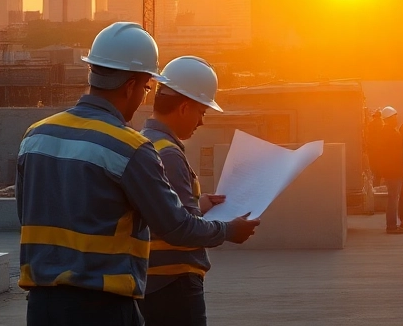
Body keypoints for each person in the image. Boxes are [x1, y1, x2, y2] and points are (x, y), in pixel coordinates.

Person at [16, 23, 260, 325]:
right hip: (101, 306)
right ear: (131, 86)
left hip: (41, 306)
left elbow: (26, 214)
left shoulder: (35, 136)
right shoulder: (129, 147)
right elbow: (176, 227)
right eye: (146, 88)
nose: (145, 98)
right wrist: (227, 231)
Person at [139, 56, 226, 326]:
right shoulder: (170, 153)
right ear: (185, 107)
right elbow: (182, 230)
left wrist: (200, 204)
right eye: (201, 112)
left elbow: (162, 213)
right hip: (175, 283)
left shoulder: (144, 142)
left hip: (149, 282)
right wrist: (230, 229)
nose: (201, 122)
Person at [378, 106, 403, 234]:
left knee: (393, 198)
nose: (397, 119)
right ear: (390, 118)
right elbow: (398, 153)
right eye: (395, 117)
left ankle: (394, 223)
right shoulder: (392, 133)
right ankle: (392, 226)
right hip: (395, 171)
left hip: (391, 170)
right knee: (393, 198)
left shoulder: (384, 132)